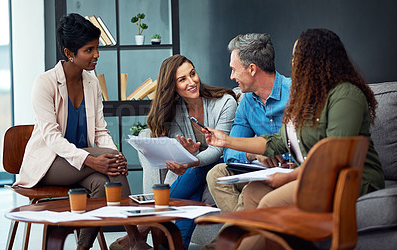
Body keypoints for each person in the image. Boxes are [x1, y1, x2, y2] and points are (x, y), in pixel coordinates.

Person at [205, 28, 385, 249]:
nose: (292, 63)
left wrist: (288, 178)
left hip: (349, 180)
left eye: (296, 57)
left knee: (270, 201)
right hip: (314, 176)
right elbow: (274, 142)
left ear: (314, 60)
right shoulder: (309, 97)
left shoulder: (346, 95)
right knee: (253, 192)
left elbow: (335, 156)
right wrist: (225, 140)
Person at [13, 13, 135, 250]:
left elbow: (100, 130)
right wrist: (93, 159)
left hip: (81, 163)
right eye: (88, 50)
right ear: (69, 53)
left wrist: (113, 155)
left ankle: (82, 247)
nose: (96, 55)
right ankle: (135, 239)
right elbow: (51, 136)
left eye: (96, 48)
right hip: (50, 164)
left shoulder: (92, 83)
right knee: (108, 164)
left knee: (103, 182)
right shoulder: (44, 83)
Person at [110, 54, 237, 249]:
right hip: (196, 166)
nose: (192, 82)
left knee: (193, 172)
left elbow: (218, 150)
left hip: (222, 162)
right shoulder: (177, 110)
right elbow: (180, 148)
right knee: (191, 195)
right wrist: (186, 153)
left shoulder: (225, 103)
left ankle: (145, 226)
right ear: (173, 87)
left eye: (192, 74)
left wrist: (191, 159)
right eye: (182, 79)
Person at [205, 33, 292, 216]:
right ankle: (247, 229)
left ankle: (232, 239)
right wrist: (254, 153)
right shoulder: (247, 102)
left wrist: (272, 153)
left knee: (252, 189)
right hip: (261, 169)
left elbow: (307, 142)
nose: (231, 76)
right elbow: (230, 152)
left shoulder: (295, 93)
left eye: (234, 70)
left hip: (291, 171)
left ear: (252, 69)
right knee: (216, 174)